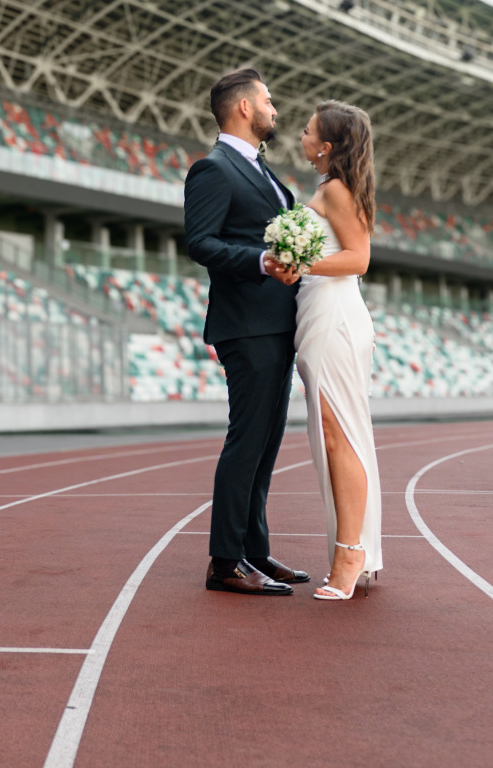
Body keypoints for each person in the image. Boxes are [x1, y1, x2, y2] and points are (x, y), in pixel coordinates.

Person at [184, 68, 309, 595]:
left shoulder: (262, 170)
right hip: (248, 326)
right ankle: (225, 561)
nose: (274, 109)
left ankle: (253, 551)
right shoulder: (212, 170)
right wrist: (261, 259)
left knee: (265, 445)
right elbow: (201, 243)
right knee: (247, 442)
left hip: (275, 325)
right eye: (268, 100)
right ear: (242, 108)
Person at [293, 101, 382, 600]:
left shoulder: (336, 190)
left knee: (339, 437)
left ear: (325, 147)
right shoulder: (329, 189)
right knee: (335, 436)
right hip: (319, 315)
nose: (300, 135)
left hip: (334, 317)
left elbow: (358, 258)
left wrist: (298, 261)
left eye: (307, 131)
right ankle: (354, 547)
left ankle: (350, 555)